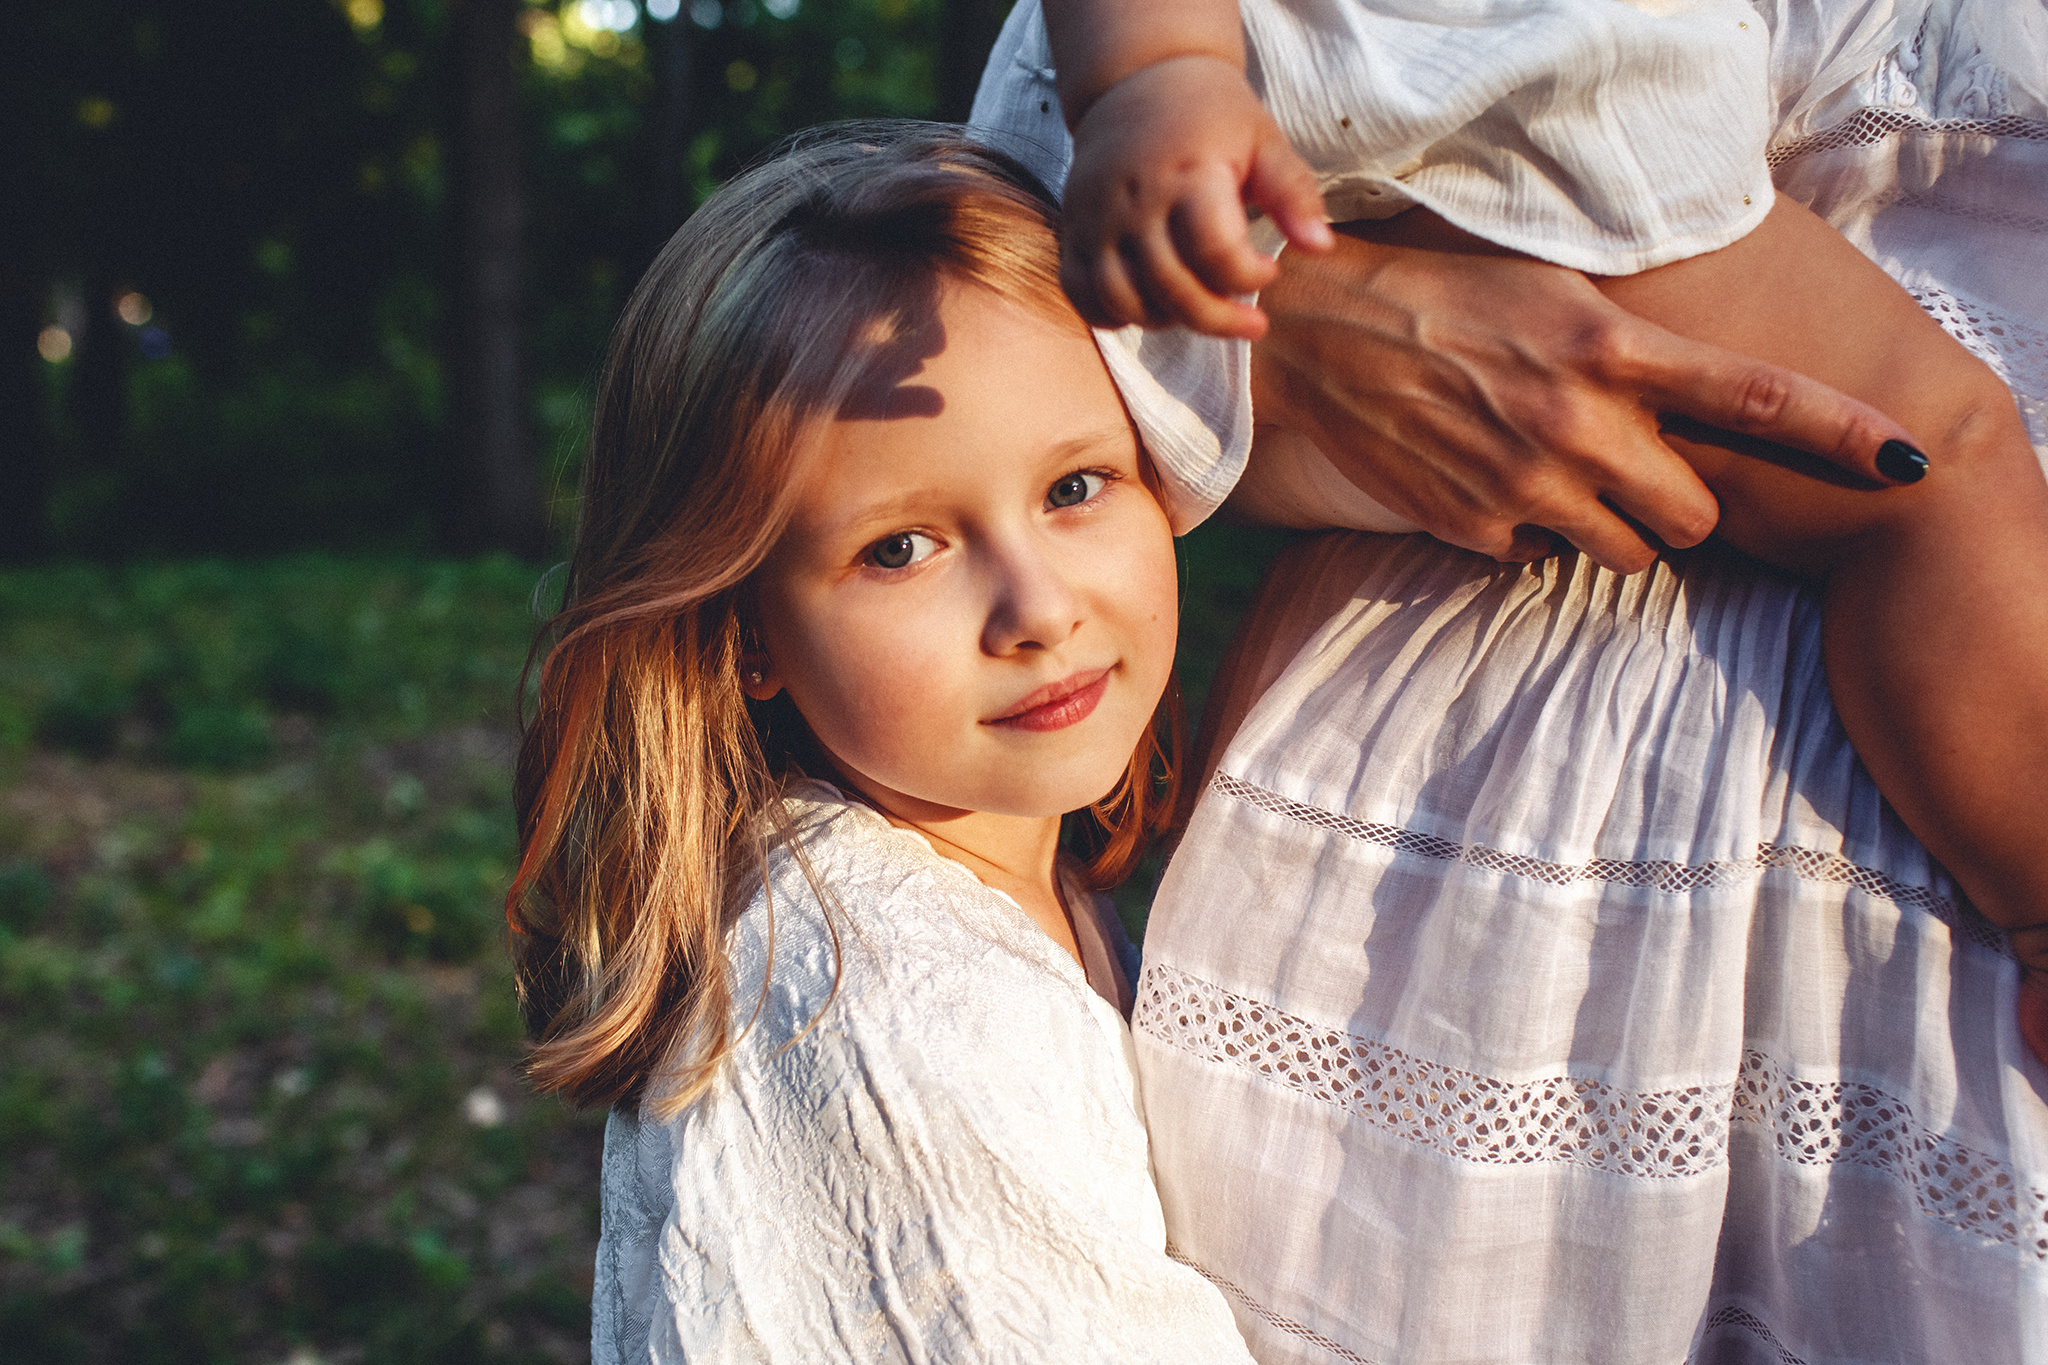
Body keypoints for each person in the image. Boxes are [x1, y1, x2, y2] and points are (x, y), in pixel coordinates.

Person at [974, 0, 2048, 1360]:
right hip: (1495, 124)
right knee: (1933, 453)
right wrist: (1161, 84)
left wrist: (1155, 82)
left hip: (1304, 161)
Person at [505, 125, 1256, 1362]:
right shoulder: (897, 1009)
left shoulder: (978, 875)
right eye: (899, 548)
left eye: (1075, 487)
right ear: (743, 629)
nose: (1038, 610)